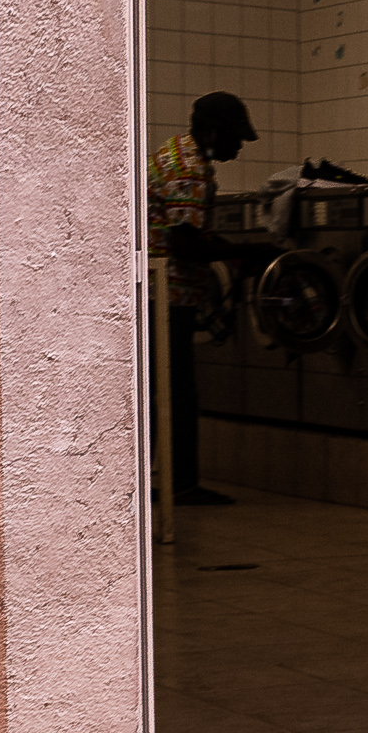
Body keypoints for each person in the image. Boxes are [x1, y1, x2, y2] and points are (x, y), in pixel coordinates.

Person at [146, 91, 274, 506]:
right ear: (212, 130)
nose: (238, 147)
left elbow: (188, 233)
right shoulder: (190, 170)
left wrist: (236, 253)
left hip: (154, 294)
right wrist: (250, 252)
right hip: (165, 299)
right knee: (178, 393)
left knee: (161, 391)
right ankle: (181, 485)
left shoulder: (177, 153)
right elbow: (185, 245)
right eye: (235, 138)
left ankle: (162, 482)